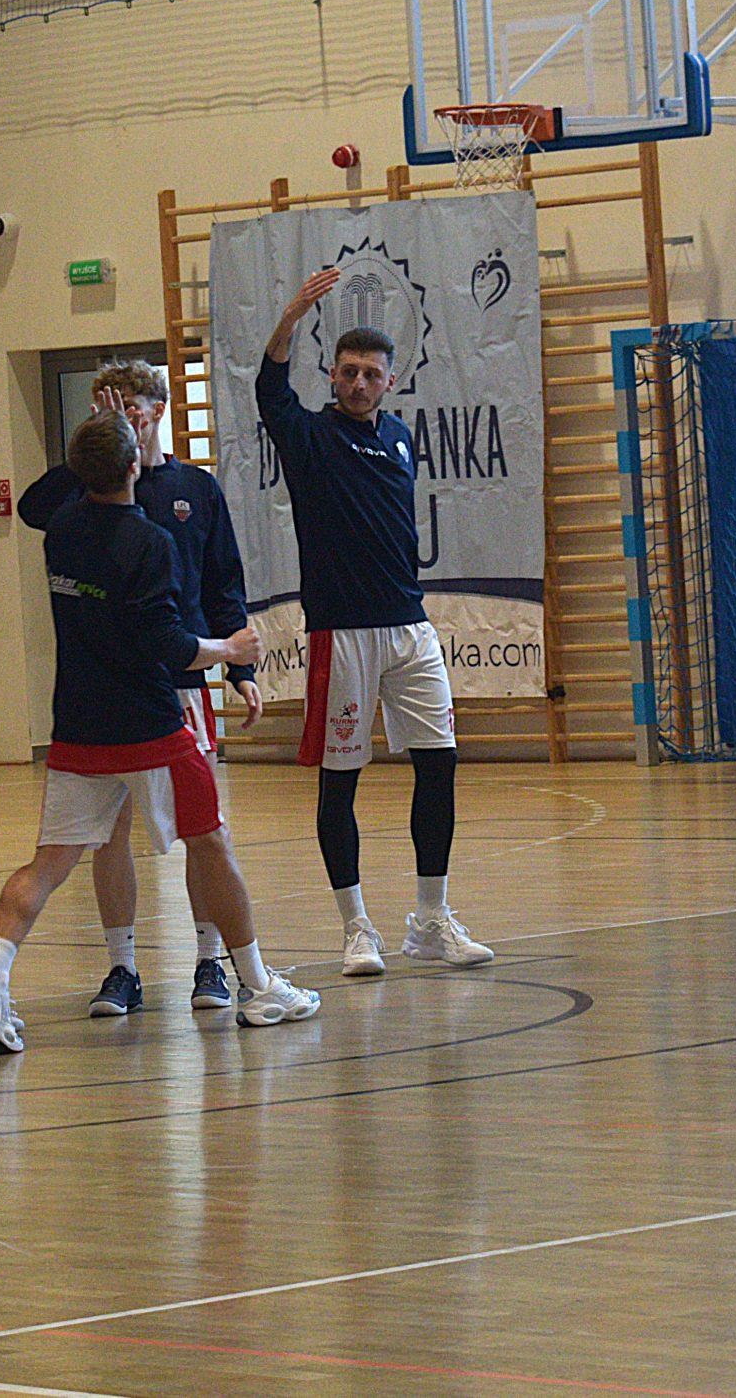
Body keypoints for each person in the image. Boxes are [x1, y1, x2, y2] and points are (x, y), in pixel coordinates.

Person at [0, 412, 318, 1054]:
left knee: (49, 863)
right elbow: (168, 644)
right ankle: (260, 985)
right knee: (213, 845)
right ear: (134, 467)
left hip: (77, 727)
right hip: (150, 726)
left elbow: (54, 505)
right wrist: (229, 650)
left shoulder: (61, 531)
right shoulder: (149, 541)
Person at [257, 268, 493, 978]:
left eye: (371, 374)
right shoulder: (307, 436)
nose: (359, 383)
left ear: (391, 381)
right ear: (332, 375)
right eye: (348, 371)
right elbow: (268, 390)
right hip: (342, 632)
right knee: (341, 781)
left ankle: (431, 919)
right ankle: (356, 928)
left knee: (439, 765)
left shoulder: (398, 438)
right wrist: (291, 316)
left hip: (409, 627)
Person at [17, 360, 259, 1017]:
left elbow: (223, 581)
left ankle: (210, 961)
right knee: (109, 832)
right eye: (110, 406)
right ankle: (122, 967)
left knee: (201, 832)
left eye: (132, 406)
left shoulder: (193, 488)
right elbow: (32, 508)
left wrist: (240, 671)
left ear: (158, 410)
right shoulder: (92, 492)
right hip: (114, 691)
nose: (124, 415)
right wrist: (95, 437)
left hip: (181, 680)